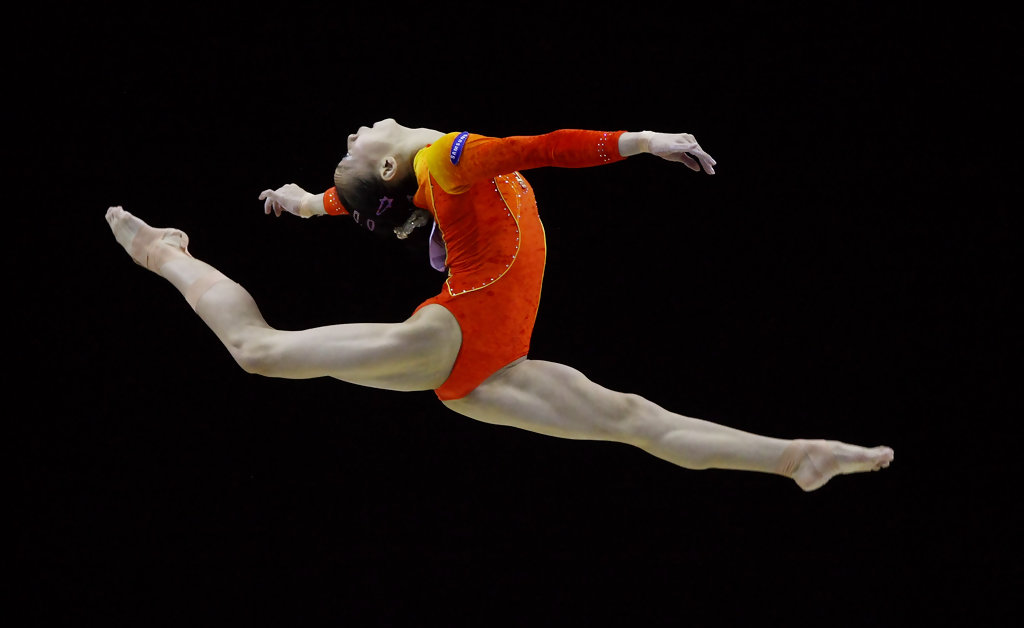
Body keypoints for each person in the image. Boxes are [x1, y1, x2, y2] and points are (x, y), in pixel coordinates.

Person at [105, 119, 893, 491]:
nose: (352, 133)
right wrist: (643, 142)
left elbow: (359, 199)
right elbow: (545, 148)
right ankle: (167, 253)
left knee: (637, 421)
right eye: (352, 147)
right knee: (260, 351)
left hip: (492, 363)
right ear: (391, 162)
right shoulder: (450, 158)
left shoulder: (422, 177)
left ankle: (795, 456)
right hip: (455, 334)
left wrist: (308, 202)